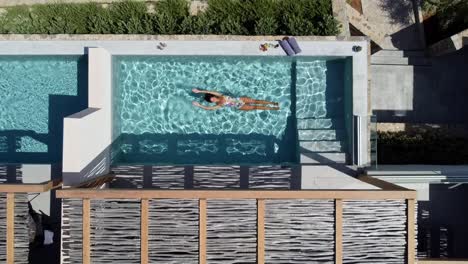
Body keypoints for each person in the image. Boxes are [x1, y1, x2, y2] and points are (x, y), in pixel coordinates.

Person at [191, 88, 279, 111]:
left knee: (255, 101)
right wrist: (199, 105)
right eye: (211, 100)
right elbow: (208, 108)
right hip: (239, 106)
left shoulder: (220, 95)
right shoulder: (219, 105)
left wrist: (199, 91)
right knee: (255, 107)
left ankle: (273, 103)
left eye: (212, 97)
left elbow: (209, 91)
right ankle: (271, 108)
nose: (213, 99)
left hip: (240, 99)